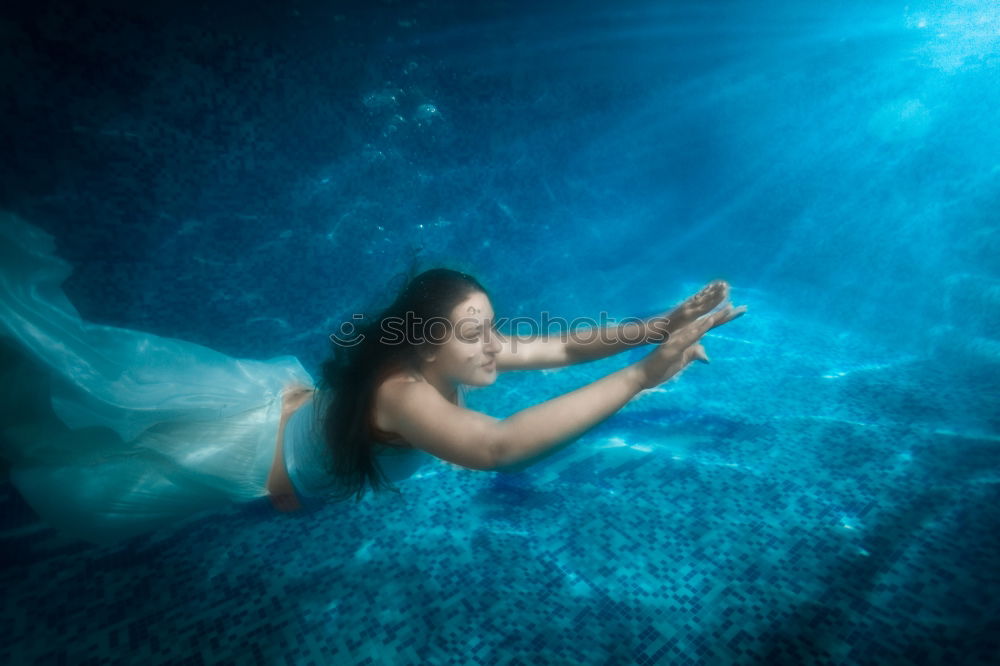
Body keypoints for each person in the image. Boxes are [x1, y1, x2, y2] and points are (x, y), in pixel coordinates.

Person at [0, 212, 746, 545]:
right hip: (233, 454)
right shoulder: (403, 391)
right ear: (426, 348)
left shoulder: (438, 356)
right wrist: (651, 370)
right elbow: (497, 447)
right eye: (476, 335)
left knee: (90, 405)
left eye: (494, 328)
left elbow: (557, 351)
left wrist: (657, 323)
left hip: (267, 410)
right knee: (54, 451)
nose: (497, 348)